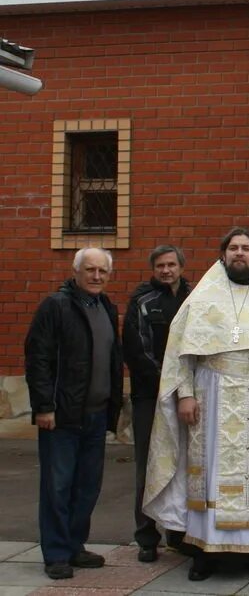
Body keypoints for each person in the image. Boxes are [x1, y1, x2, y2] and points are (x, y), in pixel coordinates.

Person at [143, 228, 249, 582]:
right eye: (233, 248)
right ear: (222, 255)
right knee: (212, 475)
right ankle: (205, 552)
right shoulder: (203, 297)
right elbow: (182, 352)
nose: (239, 254)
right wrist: (185, 393)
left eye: (246, 248)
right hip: (214, 394)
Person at [25, 248, 123, 580]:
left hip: (95, 416)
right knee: (58, 486)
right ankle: (55, 554)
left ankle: (74, 546)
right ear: (76, 271)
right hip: (62, 416)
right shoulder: (56, 306)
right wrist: (43, 406)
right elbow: (37, 358)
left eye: (102, 271)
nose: (97, 276)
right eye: (90, 270)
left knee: (87, 487)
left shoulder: (106, 307)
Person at [123, 245, 192, 563]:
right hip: (150, 397)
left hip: (187, 396)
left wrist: (186, 389)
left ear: (181, 266)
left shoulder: (194, 298)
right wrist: (168, 385)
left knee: (184, 464)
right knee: (149, 465)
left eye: (171, 265)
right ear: (154, 268)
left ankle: (179, 532)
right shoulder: (142, 301)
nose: (166, 270)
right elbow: (138, 351)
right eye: (160, 265)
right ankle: (147, 536)